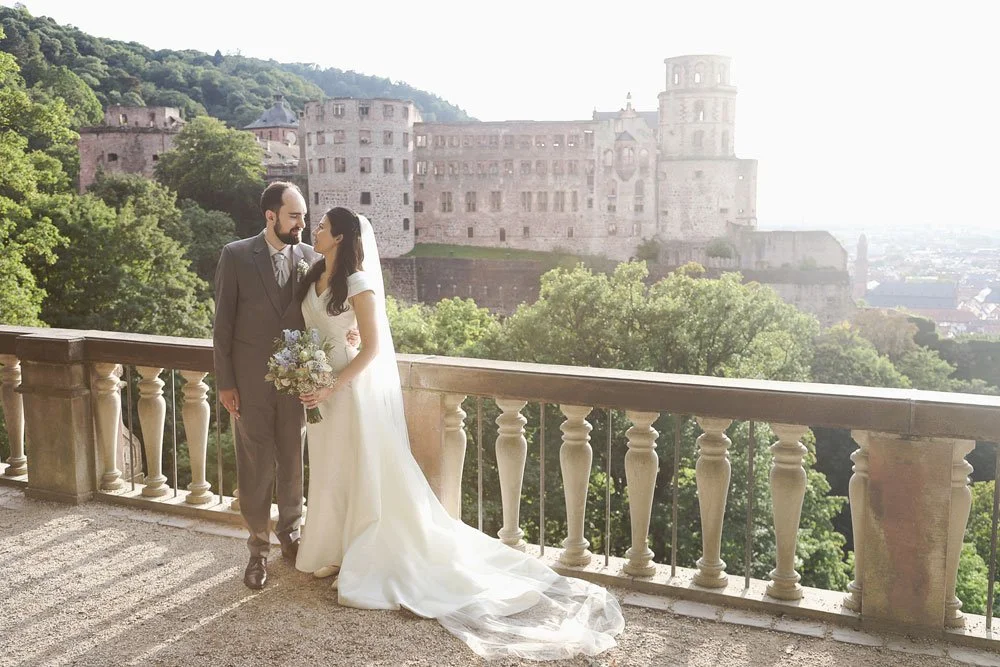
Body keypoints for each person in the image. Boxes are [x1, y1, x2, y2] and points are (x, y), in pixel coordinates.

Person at [294, 206, 625, 660]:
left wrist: (333, 382)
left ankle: (363, 553)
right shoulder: (313, 275)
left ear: (339, 237)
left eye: (322, 226)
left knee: (360, 468)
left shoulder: (359, 283)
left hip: (348, 392)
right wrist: (305, 373)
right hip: (318, 390)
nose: (314, 229)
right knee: (331, 469)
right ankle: (335, 548)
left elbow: (371, 348)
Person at [213, 182, 358, 590]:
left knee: (293, 461)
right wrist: (226, 384)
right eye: (294, 216)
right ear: (270, 216)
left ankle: (290, 536)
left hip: (297, 382)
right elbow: (222, 326)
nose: (302, 225)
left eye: (305, 217)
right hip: (249, 383)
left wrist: (352, 332)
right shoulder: (236, 255)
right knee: (255, 466)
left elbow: (336, 304)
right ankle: (257, 550)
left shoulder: (312, 258)